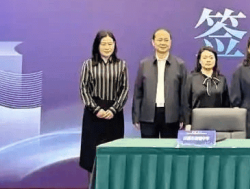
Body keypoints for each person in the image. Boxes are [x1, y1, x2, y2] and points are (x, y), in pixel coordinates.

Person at [78, 30, 129, 175]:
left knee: (113, 152)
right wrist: (96, 109)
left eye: (110, 44)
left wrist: (113, 110)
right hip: (93, 114)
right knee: (92, 154)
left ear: (115, 45)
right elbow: (83, 89)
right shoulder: (88, 64)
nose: (107, 47)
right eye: (103, 44)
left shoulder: (121, 65)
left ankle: (112, 185)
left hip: (114, 115)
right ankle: (93, 186)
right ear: (97, 45)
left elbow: (124, 90)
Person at [132, 28, 187, 139]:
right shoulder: (144, 64)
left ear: (170, 43)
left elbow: (183, 94)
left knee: (169, 147)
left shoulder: (180, 65)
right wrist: (136, 116)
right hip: (148, 115)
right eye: (159, 40)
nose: (163, 43)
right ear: (153, 42)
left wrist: (183, 117)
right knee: (149, 147)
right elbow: (138, 93)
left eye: (166, 40)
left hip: (171, 116)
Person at [183, 46, 230, 131]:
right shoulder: (191, 79)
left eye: (211, 58)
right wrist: (187, 123)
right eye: (205, 58)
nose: (208, 60)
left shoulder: (222, 79)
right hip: (197, 122)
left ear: (215, 60)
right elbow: (186, 103)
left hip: (218, 122)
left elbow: (226, 104)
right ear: (199, 61)